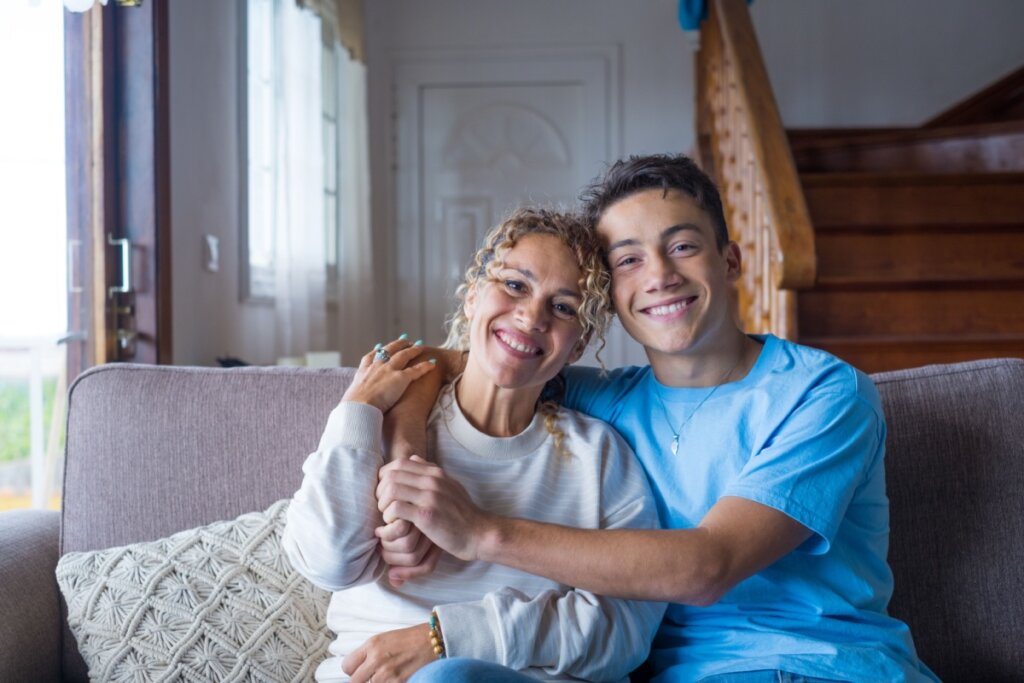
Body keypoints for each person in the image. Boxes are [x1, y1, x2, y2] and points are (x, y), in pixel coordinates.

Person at [377, 155, 939, 682]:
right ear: (610, 296)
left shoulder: (821, 392)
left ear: (731, 261)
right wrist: (407, 470)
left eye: (684, 246)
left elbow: (708, 567)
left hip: (821, 666)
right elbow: (437, 361)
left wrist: (479, 532)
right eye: (628, 260)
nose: (659, 274)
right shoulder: (605, 400)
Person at [282, 207, 665, 683]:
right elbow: (328, 562)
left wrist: (450, 638)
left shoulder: (600, 457)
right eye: (515, 285)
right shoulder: (383, 425)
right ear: (472, 296)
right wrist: (358, 406)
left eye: (563, 307)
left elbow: (625, 632)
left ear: (579, 344)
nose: (530, 316)